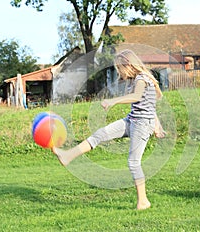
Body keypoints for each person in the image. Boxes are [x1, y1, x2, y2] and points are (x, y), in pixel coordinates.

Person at [52, 49, 165, 210]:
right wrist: (158, 125)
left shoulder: (142, 79)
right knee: (99, 134)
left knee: (133, 162)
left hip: (141, 125)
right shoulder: (135, 79)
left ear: (128, 65)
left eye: (119, 68)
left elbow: (137, 97)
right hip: (131, 120)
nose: (119, 72)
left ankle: (143, 201)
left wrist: (113, 102)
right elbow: (149, 105)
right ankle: (68, 155)